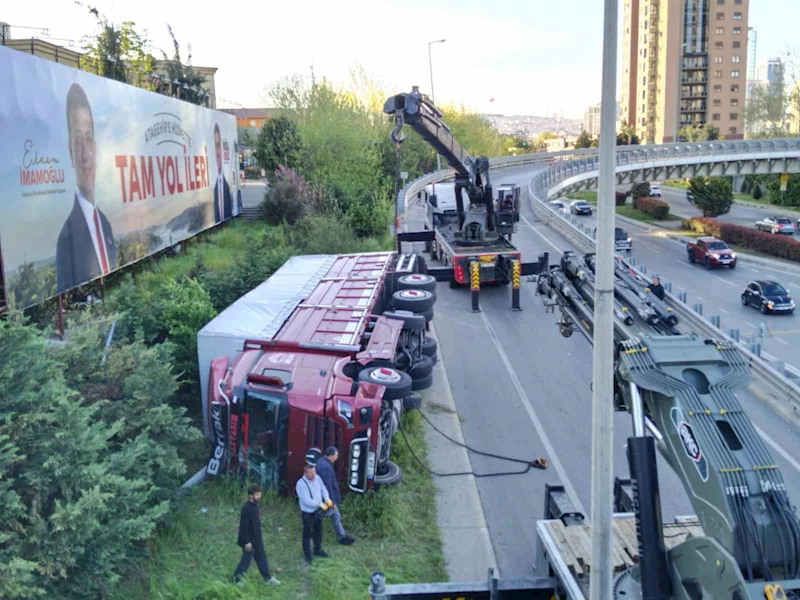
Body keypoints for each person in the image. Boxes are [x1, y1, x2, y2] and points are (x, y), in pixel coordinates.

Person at [56, 83, 117, 294]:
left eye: (88, 139)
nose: (84, 154)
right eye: (77, 140)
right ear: (69, 151)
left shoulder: (106, 226)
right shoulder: (66, 238)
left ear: (96, 148)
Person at [233, 484, 280, 585]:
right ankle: (235, 580)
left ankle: (268, 579)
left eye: (259, 494)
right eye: (257, 494)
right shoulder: (246, 508)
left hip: (257, 539)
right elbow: (243, 527)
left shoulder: (255, 506)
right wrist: (246, 542)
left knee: (262, 559)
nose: (260, 496)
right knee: (245, 562)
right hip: (249, 541)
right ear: (250, 496)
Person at [315, 447, 356, 546]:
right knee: (323, 515)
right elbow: (327, 485)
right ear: (331, 455)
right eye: (336, 455)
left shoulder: (321, 461)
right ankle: (341, 538)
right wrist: (331, 501)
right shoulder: (326, 467)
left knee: (335, 516)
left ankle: (342, 537)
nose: (337, 458)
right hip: (326, 498)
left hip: (321, 496)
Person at [296, 462, 331, 563]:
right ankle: (307, 554)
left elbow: (323, 488)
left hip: (318, 511)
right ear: (305, 473)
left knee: (318, 531)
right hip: (308, 513)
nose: (313, 475)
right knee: (307, 533)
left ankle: (317, 550)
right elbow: (306, 500)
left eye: (314, 472)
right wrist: (319, 503)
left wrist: (327, 498)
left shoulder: (317, 478)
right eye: (310, 473)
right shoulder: (301, 484)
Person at [212, 123, 233, 223]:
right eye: (215, 146)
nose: (218, 152)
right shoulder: (214, 188)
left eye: (219, 145)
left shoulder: (226, 186)